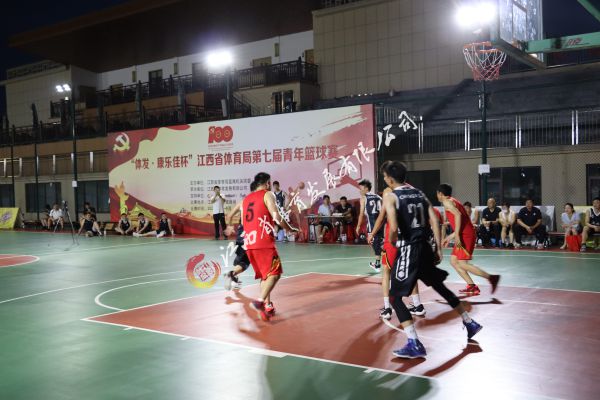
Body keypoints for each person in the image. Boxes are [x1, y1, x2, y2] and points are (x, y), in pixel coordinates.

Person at [381, 161, 482, 359]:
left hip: (408, 249)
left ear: (390, 179)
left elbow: (393, 228)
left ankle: (414, 343)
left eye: (385, 177)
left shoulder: (391, 196)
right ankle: (469, 322)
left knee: (394, 297)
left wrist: (393, 243)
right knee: (440, 287)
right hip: (425, 247)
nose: (385, 179)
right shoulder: (419, 193)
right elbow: (435, 220)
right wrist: (437, 248)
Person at [241, 172, 298, 321]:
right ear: (267, 183)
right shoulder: (267, 194)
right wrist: (289, 229)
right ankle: (260, 301)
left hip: (249, 243)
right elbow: (277, 217)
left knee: (265, 275)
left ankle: (267, 306)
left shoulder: (246, 199)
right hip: (263, 242)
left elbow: (243, 222)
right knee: (275, 273)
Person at [368, 185, 427, 320]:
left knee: (386, 272)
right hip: (409, 239)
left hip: (393, 239)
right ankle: (418, 305)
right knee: (411, 273)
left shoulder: (389, 193)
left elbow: (381, 217)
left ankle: (387, 308)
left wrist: (372, 233)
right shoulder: (412, 192)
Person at [438, 184, 500, 296]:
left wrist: (456, 235)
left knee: (462, 264)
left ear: (440, 193)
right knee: (454, 261)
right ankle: (472, 286)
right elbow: (462, 222)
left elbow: (458, 215)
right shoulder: (453, 201)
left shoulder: (447, 202)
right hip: (464, 233)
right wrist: (451, 236)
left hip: (466, 235)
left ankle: (492, 278)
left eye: (437, 193)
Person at [222, 182, 258, 293]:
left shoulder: (243, 202)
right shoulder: (260, 202)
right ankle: (231, 274)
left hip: (241, 235)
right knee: (245, 262)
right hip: (252, 236)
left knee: (239, 259)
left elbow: (229, 215)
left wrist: (230, 226)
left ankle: (235, 280)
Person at [356, 180, 383, 271]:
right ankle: (378, 263)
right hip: (381, 223)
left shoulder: (363, 198)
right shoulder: (378, 197)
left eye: (361, 189)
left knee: (374, 243)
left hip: (372, 224)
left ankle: (378, 265)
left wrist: (358, 226)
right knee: (378, 243)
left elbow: (361, 214)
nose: (360, 191)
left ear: (366, 188)